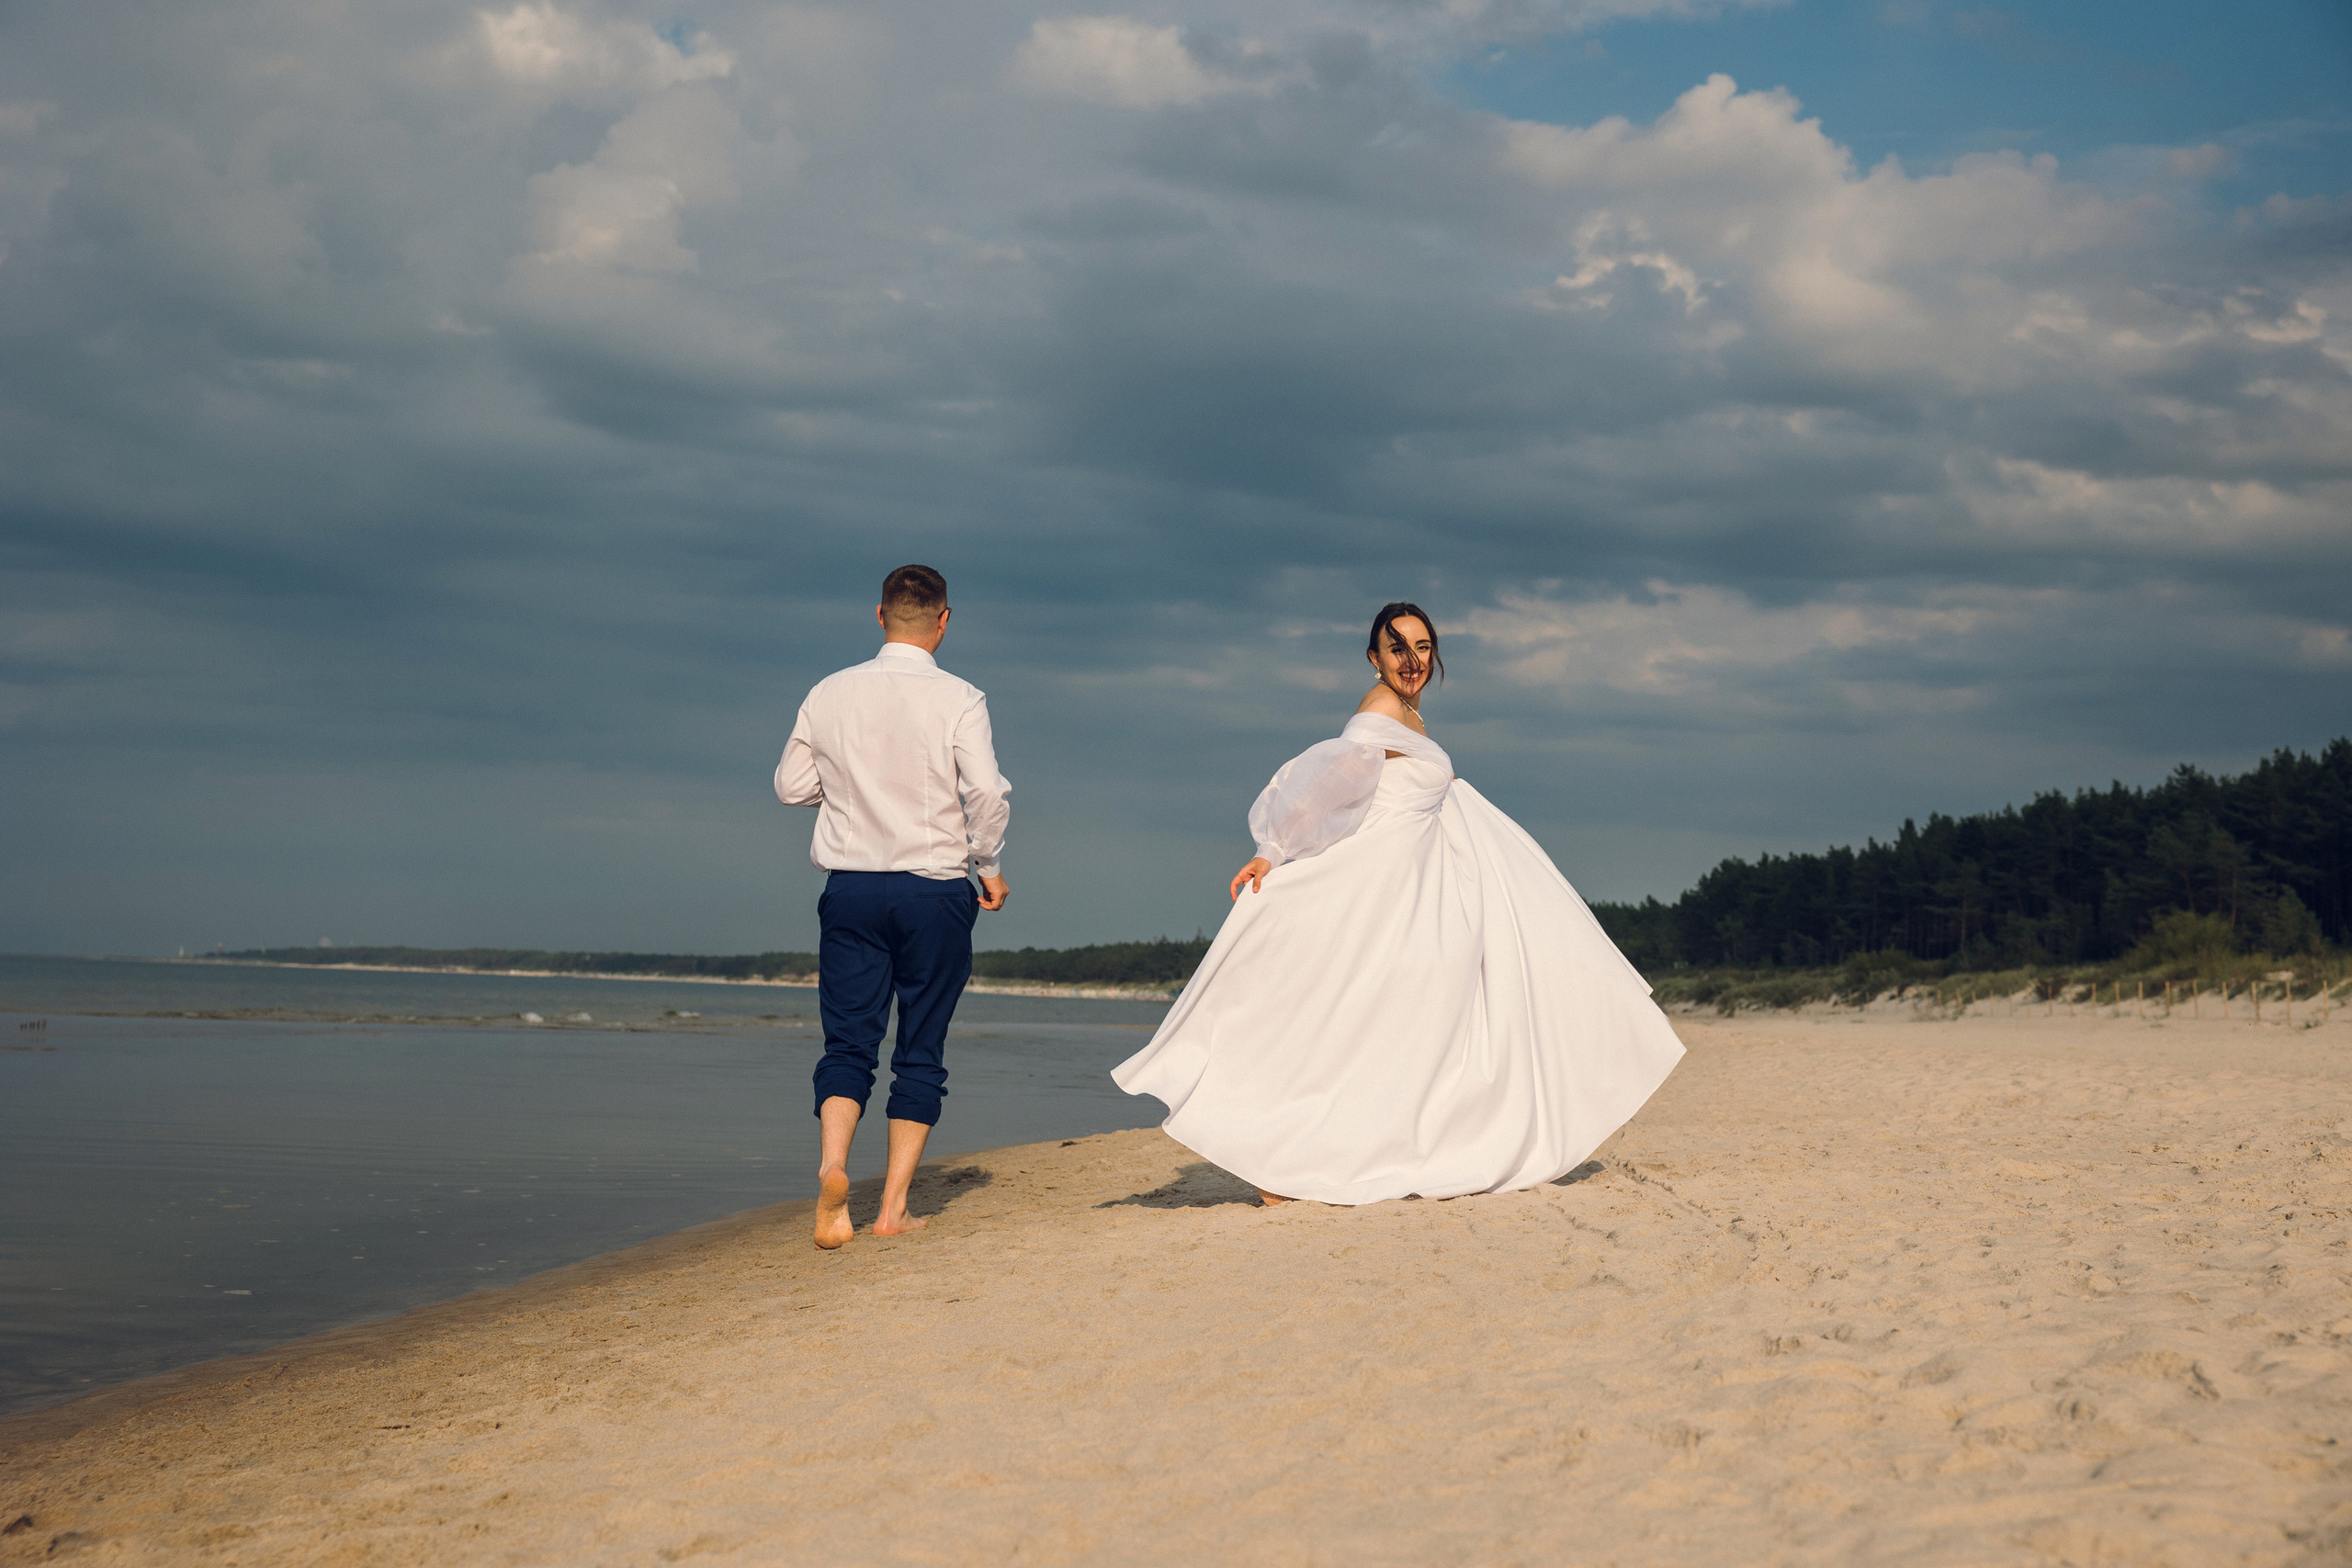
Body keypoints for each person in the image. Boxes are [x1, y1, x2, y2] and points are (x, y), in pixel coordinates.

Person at [1113, 602, 1684, 1207]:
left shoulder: (1409, 715)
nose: (1412, 661)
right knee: (1368, 1015)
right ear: (1374, 657)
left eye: (1423, 647)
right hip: (1387, 883)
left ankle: (1320, 1153)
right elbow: (1326, 783)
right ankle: (1283, 1158)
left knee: (1393, 1021)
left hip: (1419, 883)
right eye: (1397, 648)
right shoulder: (1381, 709)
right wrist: (1272, 851)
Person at [775, 565, 1012, 1248]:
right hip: (933, 887)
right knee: (920, 1046)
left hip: (851, 886)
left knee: (848, 1041)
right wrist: (990, 867)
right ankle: (892, 1209)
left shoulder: (829, 691)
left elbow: (791, 785)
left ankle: (833, 1168)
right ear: (944, 620)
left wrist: (852, 790)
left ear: (880, 616)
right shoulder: (960, 697)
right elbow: (986, 792)